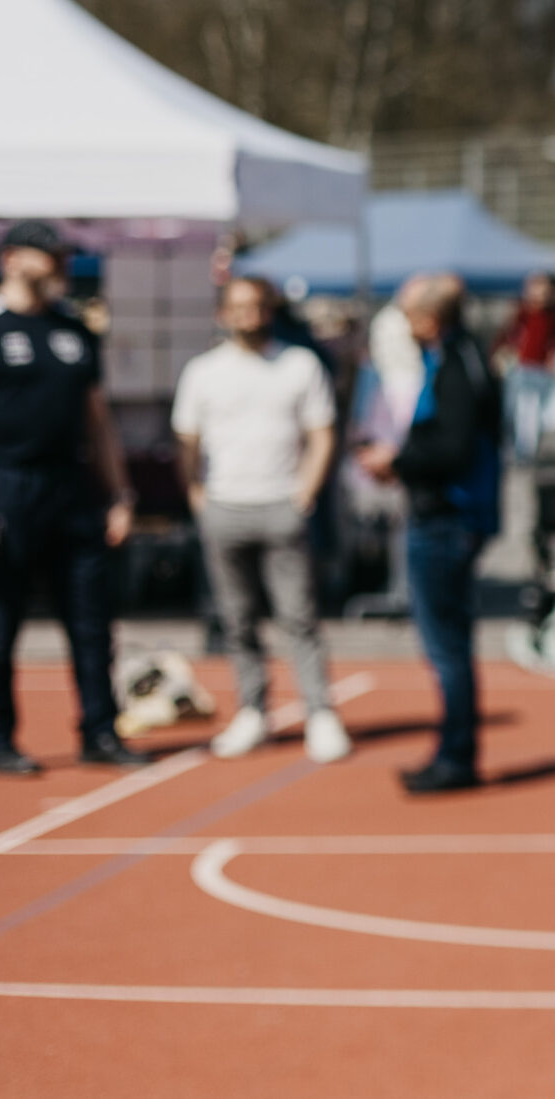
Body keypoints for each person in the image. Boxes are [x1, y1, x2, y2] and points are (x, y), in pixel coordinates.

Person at [0, 221, 154, 775]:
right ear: (12, 258)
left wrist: (119, 494)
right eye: (48, 254)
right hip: (8, 489)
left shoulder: (72, 329)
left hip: (73, 490)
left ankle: (100, 730)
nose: (59, 263)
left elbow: (97, 420)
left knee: (91, 622)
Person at [171, 275, 349, 763]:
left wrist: (304, 494)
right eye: (238, 307)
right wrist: (197, 496)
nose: (247, 315)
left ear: (269, 311)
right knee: (237, 620)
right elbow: (186, 441)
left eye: (255, 306)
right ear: (222, 312)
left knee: (300, 617)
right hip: (224, 508)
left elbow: (323, 433)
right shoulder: (203, 372)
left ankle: (320, 713)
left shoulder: (298, 364)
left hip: (281, 507)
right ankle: (253, 711)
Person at [356, 273, 501, 794]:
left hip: (447, 518)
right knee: (449, 643)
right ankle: (453, 749)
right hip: (450, 515)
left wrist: (398, 461)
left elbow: (453, 449)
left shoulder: (457, 366)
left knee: (446, 646)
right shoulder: (459, 359)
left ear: (428, 319)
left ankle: (456, 755)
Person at [494, 272, 555, 463]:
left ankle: (526, 453)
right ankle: (511, 448)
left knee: (531, 412)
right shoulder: (521, 311)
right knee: (512, 409)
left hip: (538, 369)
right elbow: (507, 336)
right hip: (519, 368)